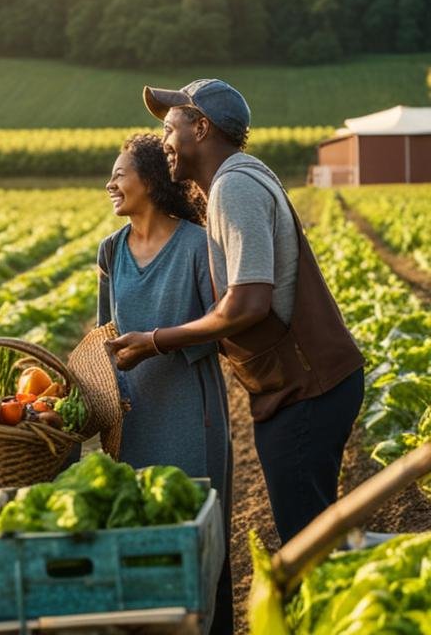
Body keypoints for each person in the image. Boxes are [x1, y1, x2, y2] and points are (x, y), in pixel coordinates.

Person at [108, 79, 365, 547]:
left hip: (307, 387)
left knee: (309, 544)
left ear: (201, 128)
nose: (164, 142)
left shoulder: (234, 186)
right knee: (316, 533)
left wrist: (155, 341)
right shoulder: (240, 177)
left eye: (170, 128)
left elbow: (248, 303)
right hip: (302, 385)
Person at [98, 134, 232, 635]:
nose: (110, 183)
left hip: (189, 411)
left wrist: (159, 344)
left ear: (152, 182)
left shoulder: (197, 246)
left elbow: (221, 330)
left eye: (119, 173)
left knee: (198, 539)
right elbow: (103, 338)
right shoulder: (110, 251)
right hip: (135, 418)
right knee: (142, 537)